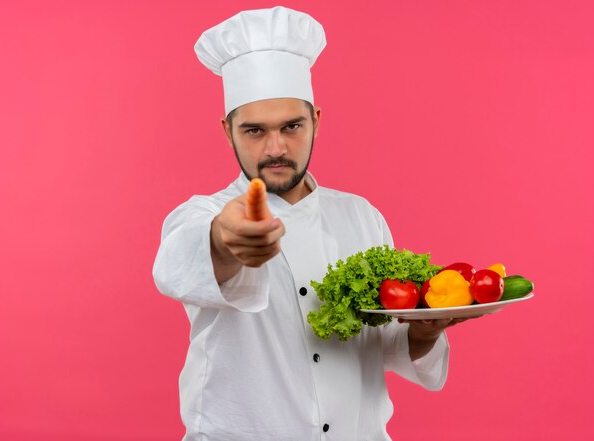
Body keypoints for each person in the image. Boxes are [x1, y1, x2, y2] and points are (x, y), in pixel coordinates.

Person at [153, 6, 468, 441]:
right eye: (254, 131)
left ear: (316, 121)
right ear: (227, 131)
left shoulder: (362, 217)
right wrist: (226, 243)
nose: (276, 148)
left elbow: (389, 344)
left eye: (292, 126)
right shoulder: (202, 216)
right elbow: (178, 264)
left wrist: (424, 332)